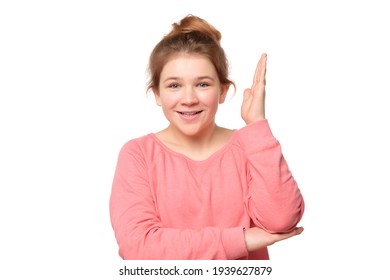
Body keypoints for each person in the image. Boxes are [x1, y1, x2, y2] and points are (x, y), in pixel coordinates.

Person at [109, 14, 304, 260]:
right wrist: (242, 239)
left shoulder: (249, 148)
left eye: (202, 84)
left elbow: (281, 219)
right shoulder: (138, 155)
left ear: (222, 91)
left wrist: (257, 125)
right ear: (157, 94)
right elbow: (138, 248)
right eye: (174, 85)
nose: (189, 99)